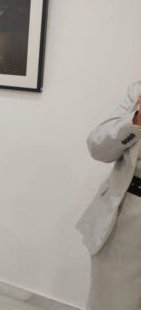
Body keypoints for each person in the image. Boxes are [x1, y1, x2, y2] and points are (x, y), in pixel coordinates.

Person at [76, 81, 141, 309]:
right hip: (126, 220)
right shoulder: (138, 91)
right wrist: (135, 121)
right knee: (111, 301)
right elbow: (98, 148)